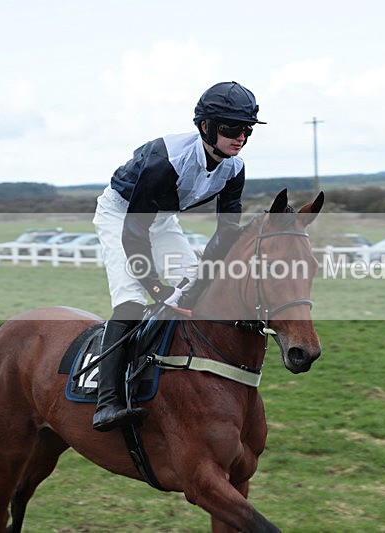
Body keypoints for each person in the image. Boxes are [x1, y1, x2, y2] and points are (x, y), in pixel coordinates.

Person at [90, 81, 265, 431]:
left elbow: (226, 230)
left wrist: (210, 274)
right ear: (205, 127)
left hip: (162, 218)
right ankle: (106, 402)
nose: (240, 137)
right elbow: (134, 233)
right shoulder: (165, 162)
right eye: (231, 128)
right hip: (122, 216)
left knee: (196, 286)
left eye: (246, 129)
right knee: (131, 301)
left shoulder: (234, 168)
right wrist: (156, 287)